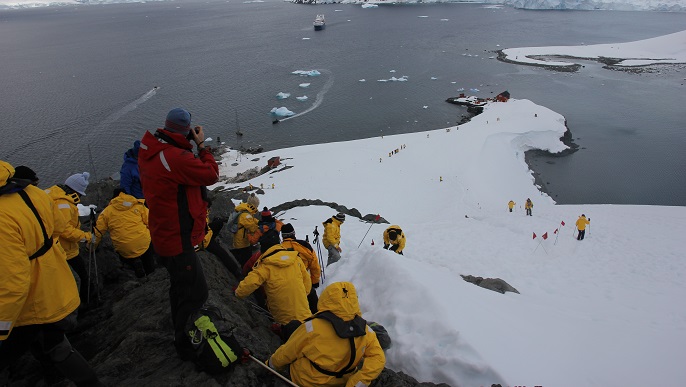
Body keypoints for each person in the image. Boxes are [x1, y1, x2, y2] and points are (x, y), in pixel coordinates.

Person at [0, 160, 101, 386]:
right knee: (52, 344)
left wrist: (1, 328)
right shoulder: (32, 192)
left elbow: (12, 283)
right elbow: (56, 228)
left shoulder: (2, 216)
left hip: (29, 300)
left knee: (47, 344)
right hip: (53, 280)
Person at [138, 107, 219, 361]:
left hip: (163, 233)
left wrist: (186, 144)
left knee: (179, 288)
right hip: (177, 238)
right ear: (186, 131)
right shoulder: (175, 158)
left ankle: (179, 332)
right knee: (197, 293)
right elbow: (211, 174)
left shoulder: (152, 150)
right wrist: (202, 145)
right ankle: (185, 342)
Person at [266, 282, 385, 387]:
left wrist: (271, 365)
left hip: (307, 381)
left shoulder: (312, 328)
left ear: (327, 299)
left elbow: (288, 351)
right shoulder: (366, 331)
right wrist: (357, 382)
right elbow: (378, 358)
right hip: (343, 381)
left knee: (294, 330)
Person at [234, 229, 312, 340]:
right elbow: (307, 285)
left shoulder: (264, 266)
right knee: (306, 339)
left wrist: (238, 292)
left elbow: (248, 285)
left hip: (283, 318)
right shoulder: (296, 259)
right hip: (304, 312)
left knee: (291, 341)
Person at [45, 172, 94, 303]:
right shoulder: (64, 204)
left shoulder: (51, 193)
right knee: (82, 277)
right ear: (76, 191)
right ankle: (84, 303)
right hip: (65, 250)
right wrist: (86, 236)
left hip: (50, 247)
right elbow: (65, 230)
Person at [94, 188, 155, 278]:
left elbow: (98, 232)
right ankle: (151, 273)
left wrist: (91, 247)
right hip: (143, 242)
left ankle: (134, 265)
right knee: (147, 248)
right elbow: (152, 222)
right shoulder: (138, 205)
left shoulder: (107, 211)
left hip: (124, 247)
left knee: (123, 250)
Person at [280, 223, 321, 314]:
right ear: (294, 233)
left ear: (282, 236)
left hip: (285, 283)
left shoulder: (278, 248)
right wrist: (315, 281)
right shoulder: (305, 246)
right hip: (303, 281)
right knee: (313, 306)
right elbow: (314, 266)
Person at [197, 203, 243, 280]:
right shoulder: (200, 216)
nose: (209, 210)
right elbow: (201, 233)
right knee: (222, 253)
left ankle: (217, 225)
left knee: (219, 222)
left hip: (207, 234)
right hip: (205, 241)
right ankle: (236, 272)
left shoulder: (201, 212)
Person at [229, 201, 260, 267]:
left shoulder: (246, 211)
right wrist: (260, 228)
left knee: (242, 256)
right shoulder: (246, 215)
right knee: (245, 260)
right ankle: (243, 272)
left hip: (241, 239)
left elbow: (253, 220)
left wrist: (259, 222)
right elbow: (252, 228)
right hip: (242, 242)